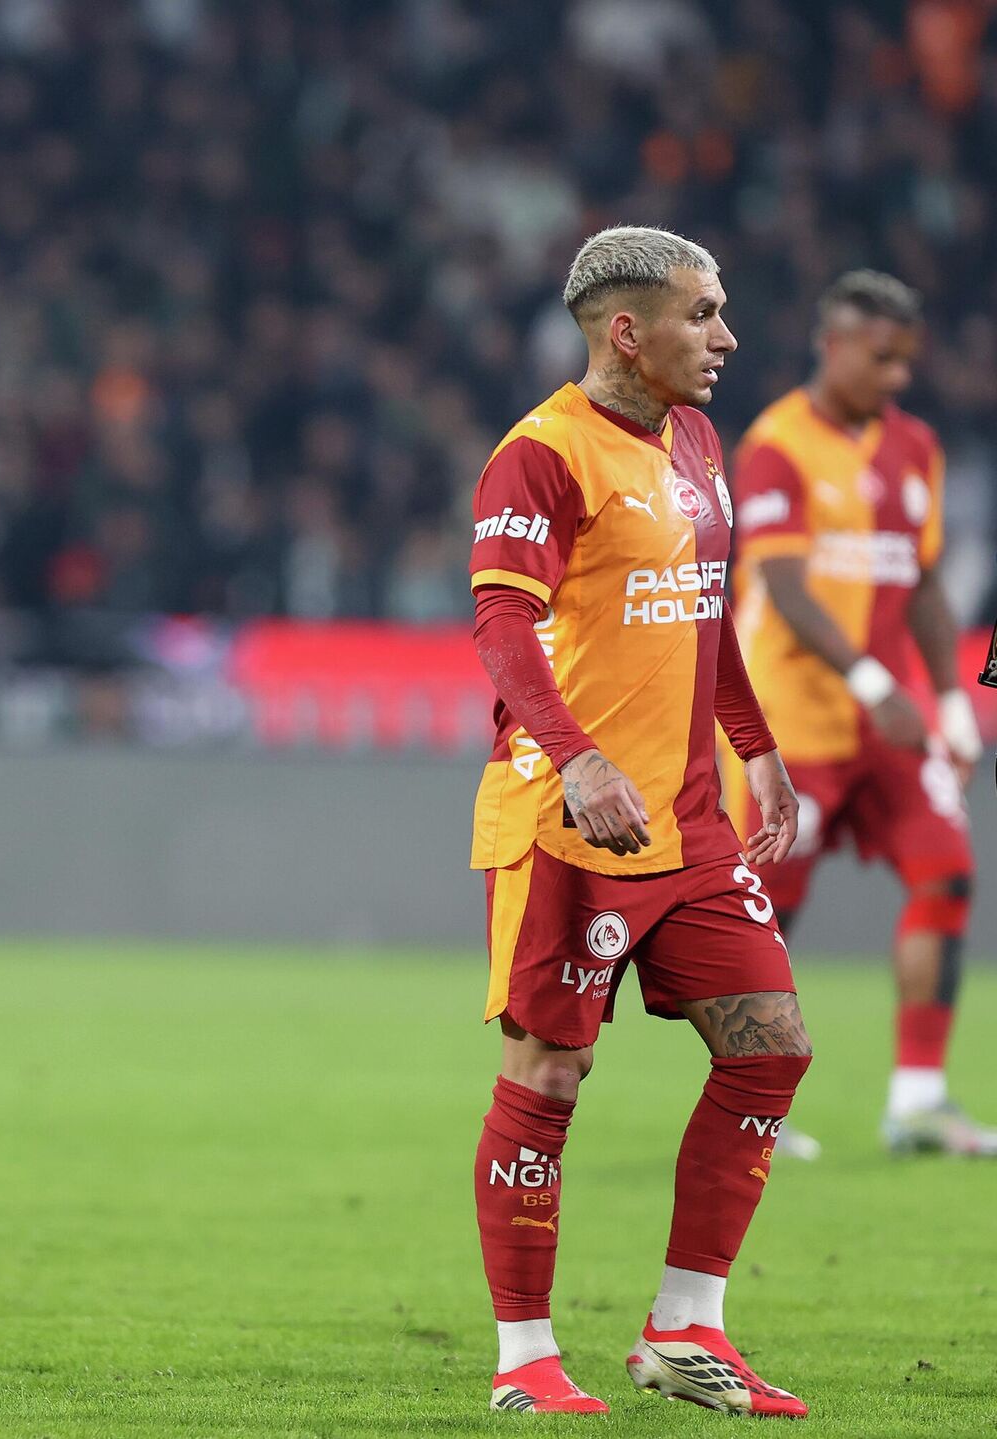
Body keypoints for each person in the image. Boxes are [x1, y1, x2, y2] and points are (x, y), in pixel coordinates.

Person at [467, 226, 810, 1416]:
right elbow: (502, 625)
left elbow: (704, 612)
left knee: (771, 1044)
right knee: (551, 1072)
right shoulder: (540, 455)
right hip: (569, 820)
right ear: (627, 330)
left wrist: (758, 749)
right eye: (702, 314)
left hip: (689, 818)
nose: (727, 337)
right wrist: (577, 760)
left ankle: (685, 1327)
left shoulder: (697, 440)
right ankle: (524, 1357)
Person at [724, 270, 990, 1158]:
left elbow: (922, 582)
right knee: (766, 918)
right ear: (832, 346)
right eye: (882, 358)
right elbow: (785, 587)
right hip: (788, 725)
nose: (898, 377)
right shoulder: (777, 444)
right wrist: (878, 684)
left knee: (947, 873)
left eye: (907, 360)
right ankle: (749, 1110)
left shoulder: (916, 446)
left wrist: (951, 698)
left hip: (889, 722)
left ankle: (917, 1102)